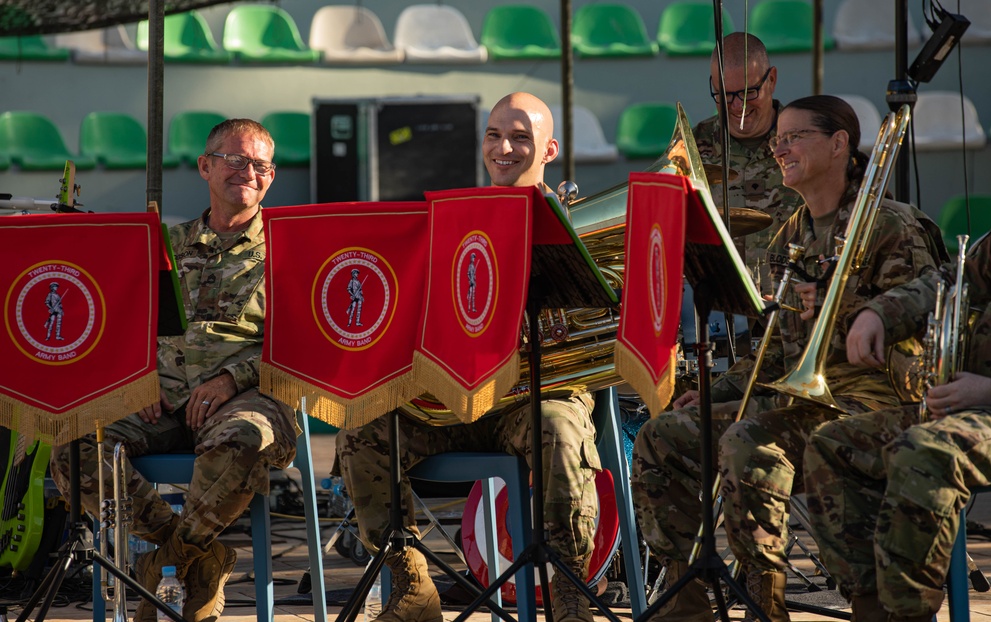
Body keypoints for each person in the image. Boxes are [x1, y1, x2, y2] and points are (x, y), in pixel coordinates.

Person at [631, 95, 946, 621]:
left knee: (746, 440)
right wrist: (717, 390)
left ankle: (762, 600)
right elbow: (773, 353)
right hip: (804, 404)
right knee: (662, 437)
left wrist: (843, 311)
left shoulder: (891, 225)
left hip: (876, 405)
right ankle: (684, 608)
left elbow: (921, 342)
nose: (779, 148)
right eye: (778, 139)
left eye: (794, 136)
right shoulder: (791, 235)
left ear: (840, 144)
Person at [334, 92, 601, 622]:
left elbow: (598, 327)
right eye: (494, 135)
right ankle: (412, 584)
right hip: (457, 399)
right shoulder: (455, 219)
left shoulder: (580, 222)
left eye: (521, 137)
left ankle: (569, 590)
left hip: (535, 399)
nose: (504, 148)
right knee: (360, 425)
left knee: (559, 430)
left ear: (548, 150)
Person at [49, 119, 298, 622]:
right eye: (235, 159)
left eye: (261, 165)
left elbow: (305, 345)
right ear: (206, 165)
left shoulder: (293, 249)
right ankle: (199, 559)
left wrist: (233, 380)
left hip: (251, 395)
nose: (248, 172)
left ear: (271, 178)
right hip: (155, 397)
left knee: (243, 441)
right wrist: (134, 376)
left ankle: (162, 566)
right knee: (75, 448)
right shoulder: (161, 244)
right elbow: (119, 323)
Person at [804, 226, 991, 622]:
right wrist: (878, 313)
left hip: (989, 406)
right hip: (974, 408)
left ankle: (908, 614)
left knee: (924, 452)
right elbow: (949, 282)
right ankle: (872, 610)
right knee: (832, 445)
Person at [694, 32, 802, 296]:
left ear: (772, 79)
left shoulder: (806, 141)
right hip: (721, 312)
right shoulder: (691, 147)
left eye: (748, 92)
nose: (738, 106)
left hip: (794, 313)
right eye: (724, 95)